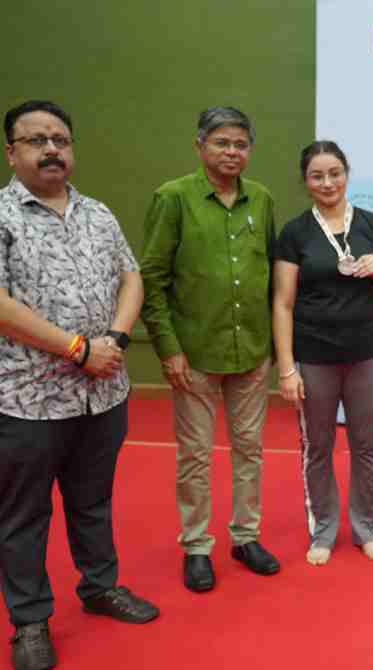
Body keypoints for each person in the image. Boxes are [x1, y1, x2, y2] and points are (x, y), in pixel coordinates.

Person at [1, 100, 158, 670]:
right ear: (12, 152)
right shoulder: (3, 216)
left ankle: (99, 586)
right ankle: (29, 622)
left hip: (103, 393)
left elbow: (131, 275)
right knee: (23, 515)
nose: (52, 150)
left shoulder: (98, 213)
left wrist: (113, 338)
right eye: (37, 140)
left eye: (61, 140)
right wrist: (77, 349)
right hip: (28, 400)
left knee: (93, 501)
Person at [140, 106, 280, 593]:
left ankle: (246, 537)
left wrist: (275, 347)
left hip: (252, 350)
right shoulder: (173, 198)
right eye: (221, 143)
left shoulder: (262, 199)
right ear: (200, 146)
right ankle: (197, 546)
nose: (231, 152)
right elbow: (152, 278)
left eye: (240, 144)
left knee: (250, 450)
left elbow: (272, 275)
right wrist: (168, 348)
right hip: (194, 352)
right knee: (196, 456)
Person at [272, 141, 373, 565]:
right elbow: (282, 303)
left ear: (347, 174)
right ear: (306, 181)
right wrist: (287, 367)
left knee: (367, 445)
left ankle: (369, 527)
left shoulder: (372, 224)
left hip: (366, 352)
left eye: (335, 173)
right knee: (318, 447)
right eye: (317, 175)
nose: (327, 182)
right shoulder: (295, 233)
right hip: (314, 357)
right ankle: (324, 529)